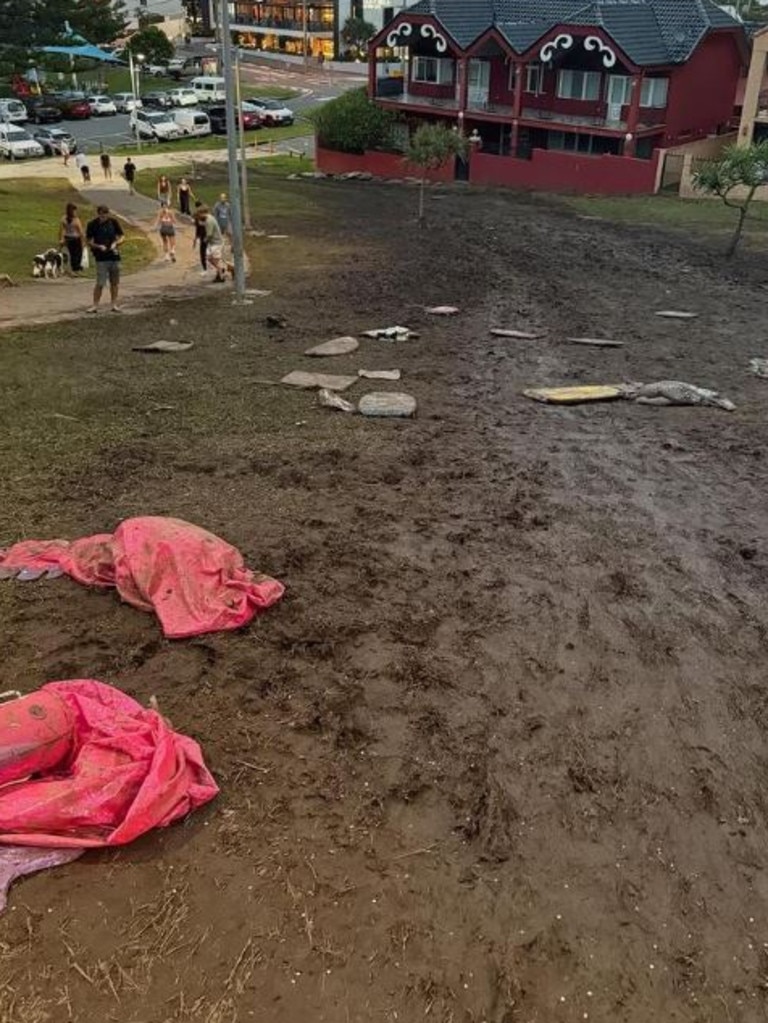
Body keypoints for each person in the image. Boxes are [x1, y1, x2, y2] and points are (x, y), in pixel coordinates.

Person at [85, 205, 124, 313]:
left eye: (106, 214)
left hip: (114, 256)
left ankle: (114, 304)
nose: (104, 216)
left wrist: (116, 243)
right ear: (98, 214)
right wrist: (98, 246)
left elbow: (122, 236)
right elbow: (88, 241)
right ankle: (95, 305)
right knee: (100, 282)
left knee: (114, 282)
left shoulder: (113, 222)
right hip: (101, 257)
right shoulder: (92, 224)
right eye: (102, 214)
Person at [196, 205, 225, 282]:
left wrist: (204, 241)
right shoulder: (209, 218)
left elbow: (209, 234)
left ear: (203, 213)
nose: (198, 216)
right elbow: (205, 224)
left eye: (199, 214)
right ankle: (220, 271)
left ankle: (221, 274)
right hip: (214, 243)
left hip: (216, 243)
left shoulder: (209, 221)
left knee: (215, 259)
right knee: (210, 257)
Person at [59, 202, 85, 274]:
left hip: (70, 238)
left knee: (74, 254)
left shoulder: (64, 218)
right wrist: (62, 238)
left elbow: (63, 229)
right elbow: (80, 231)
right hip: (74, 238)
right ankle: (75, 269)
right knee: (75, 254)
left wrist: (62, 238)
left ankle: (76, 268)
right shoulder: (75, 220)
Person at [192, 199, 208, 275]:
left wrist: (196, 238)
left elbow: (197, 228)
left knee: (203, 253)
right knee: (206, 252)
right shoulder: (207, 216)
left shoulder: (198, 217)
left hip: (204, 236)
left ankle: (205, 269)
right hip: (204, 236)